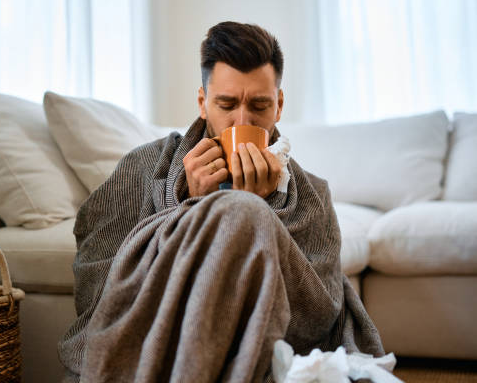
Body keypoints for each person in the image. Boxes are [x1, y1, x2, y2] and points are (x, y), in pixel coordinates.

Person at [59, 21, 384, 383]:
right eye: (226, 104)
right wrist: (192, 207)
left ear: (279, 105)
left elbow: (316, 322)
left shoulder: (313, 197)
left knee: (245, 213)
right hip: (162, 331)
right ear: (203, 103)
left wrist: (263, 214)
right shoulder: (141, 168)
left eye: (259, 105)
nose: (241, 120)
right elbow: (97, 287)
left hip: (263, 344)